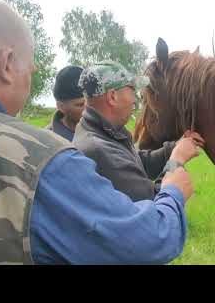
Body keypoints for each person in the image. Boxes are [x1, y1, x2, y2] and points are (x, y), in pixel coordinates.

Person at [0, 0, 195, 265]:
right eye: (30, 68)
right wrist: (173, 183)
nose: (136, 100)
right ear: (7, 64)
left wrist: (172, 148)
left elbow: (135, 160)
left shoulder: (106, 135)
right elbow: (147, 240)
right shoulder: (39, 158)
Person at [73, 61, 205, 201]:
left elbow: (135, 163)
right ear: (112, 97)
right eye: (132, 90)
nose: (135, 101)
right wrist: (176, 161)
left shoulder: (103, 132)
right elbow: (154, 204)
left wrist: (175, 147)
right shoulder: (99, 151)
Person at [47, 65, 85, 141]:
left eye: (91, 102)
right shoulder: (48, 141)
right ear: (61, 107)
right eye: (81, 105)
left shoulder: (106, 130)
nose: (89, 109)